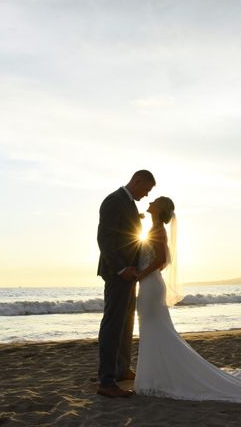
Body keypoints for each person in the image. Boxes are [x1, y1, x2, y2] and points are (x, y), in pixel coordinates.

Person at [134, 196, 241, 402]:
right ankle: (154, 378)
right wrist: (147, 273)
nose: (151, 201)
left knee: (154, 329)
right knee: (152, 330)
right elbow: (163, 262)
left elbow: (162, 259)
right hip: (149, 284)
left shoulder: (158, 231)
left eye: (156, 200)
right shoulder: (152, 229)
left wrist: (143, 274)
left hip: (150, 285)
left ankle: (154, 380)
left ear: (160, 208)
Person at [96, 170, 156, 398]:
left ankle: (121, 369)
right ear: (137, 180)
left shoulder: (128, 203)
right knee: (113, 324)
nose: (146, 194)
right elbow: (105, 239)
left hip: (130, 273)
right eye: (146, 189)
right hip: (118, 273)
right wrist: (121, 268)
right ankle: (106, 381)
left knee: (126, 322)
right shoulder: (113, 201)